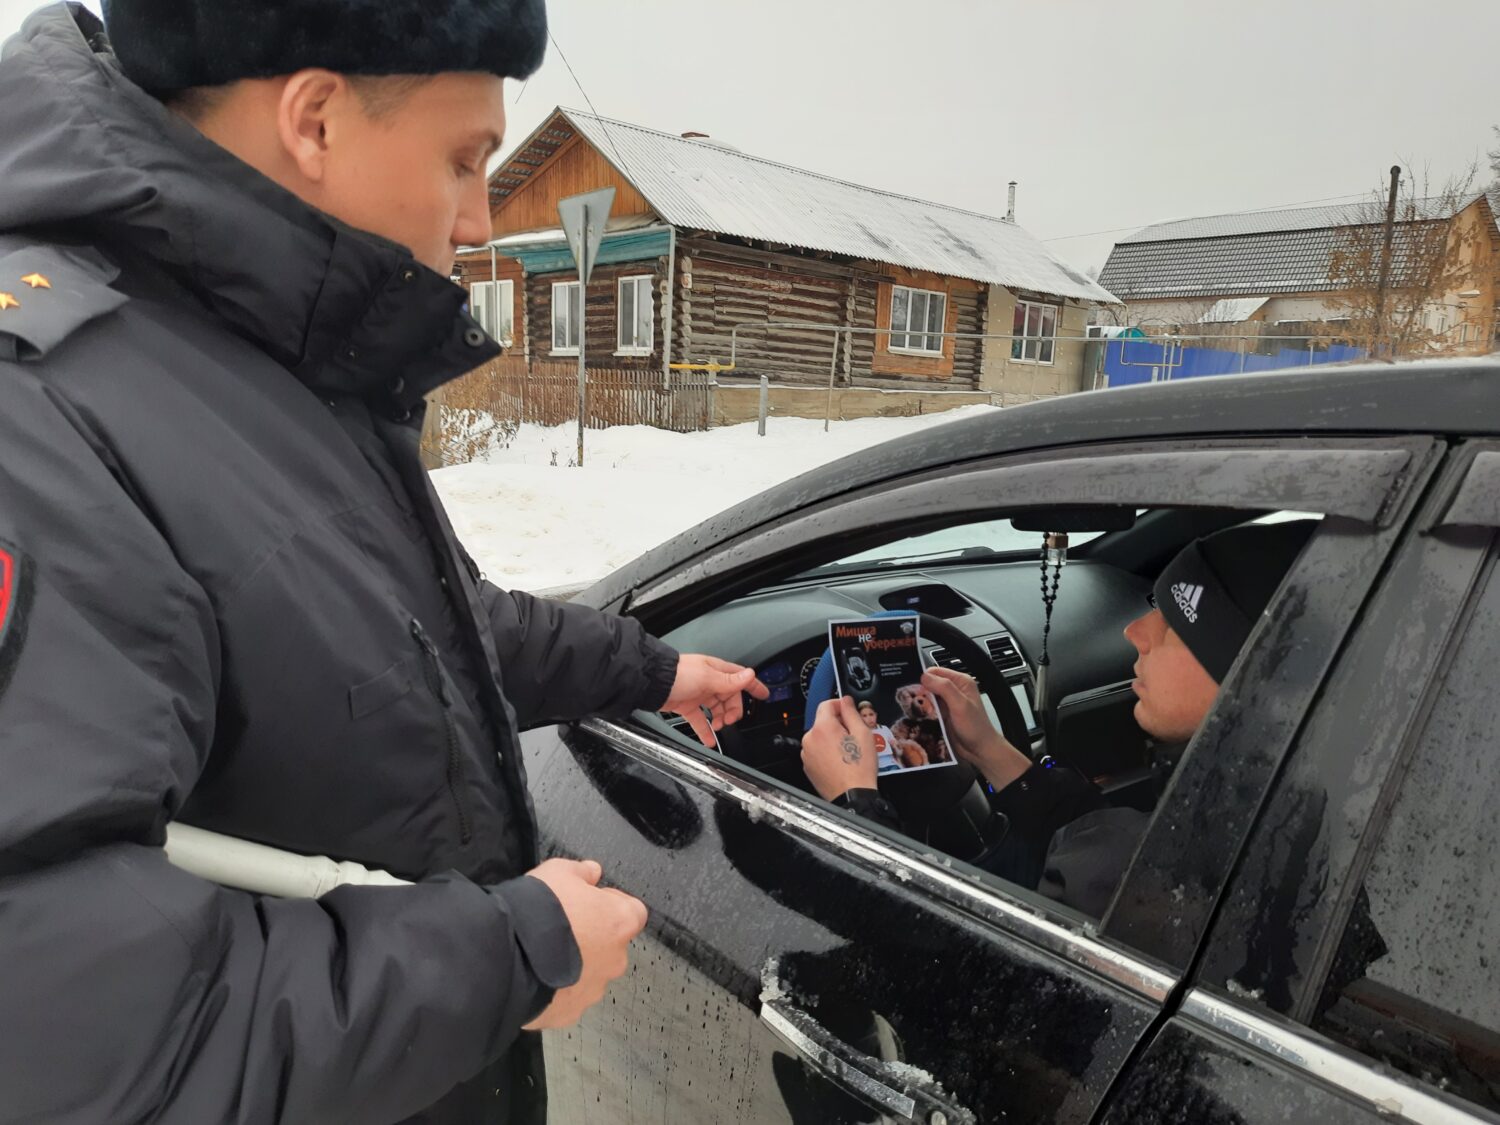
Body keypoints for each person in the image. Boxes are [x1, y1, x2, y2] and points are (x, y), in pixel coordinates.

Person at [0, 3, 767, 1122]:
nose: (481, 221)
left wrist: (651, 669)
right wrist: (505, 958)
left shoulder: (270, 363)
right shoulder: (48, 416)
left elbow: (415, 631)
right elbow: (61, 1023)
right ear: (314, 121)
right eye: (466, 160)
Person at [803, 520, 1316, 916]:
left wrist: (855, 807)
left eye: (1176, 625)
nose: (1136, 633)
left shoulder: (1157, 878)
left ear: (1253, 670)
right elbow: (1099, 835)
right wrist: (989, 750)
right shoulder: (1271, 808)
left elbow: (942, 969)